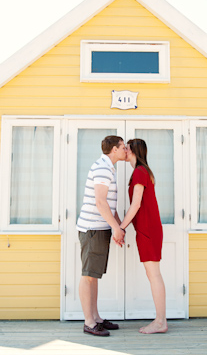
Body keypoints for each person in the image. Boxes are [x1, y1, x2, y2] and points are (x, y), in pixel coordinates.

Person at [76, 135, 127, 337]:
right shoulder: (102, 168)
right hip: (92, 229)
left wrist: (118, 226)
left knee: (94, 275)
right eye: (123, 147)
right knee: (88, 276)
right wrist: (116, 228)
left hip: (100, 228)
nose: (126, 150)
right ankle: (89, 322)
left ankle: (96, 318)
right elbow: (100, 202)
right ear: (114, 149)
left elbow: (109, 205)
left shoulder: (108, 168)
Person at [120, 138, 168, 334]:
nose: (123, 150)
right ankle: (160, 320)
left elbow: (136, 205)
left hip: (148, 229)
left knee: (154, 274)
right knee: (153, 274)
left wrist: (121, 228)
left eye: (125, 148)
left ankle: (160, 322)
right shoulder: (139, 172)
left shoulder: (140, 172)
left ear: (132, 151)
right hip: (146, 229)